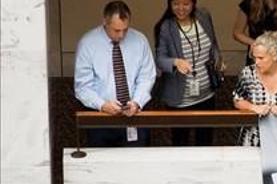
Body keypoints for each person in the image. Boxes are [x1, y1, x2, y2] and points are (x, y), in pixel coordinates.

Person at [74, 1, 156, 146]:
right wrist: (102, 105)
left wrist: (137, 102)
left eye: (125, 29)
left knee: (137, 162)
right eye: (116, 30)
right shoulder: (88, 43)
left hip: (134, 115)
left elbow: (146, 77)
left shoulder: (139, 40)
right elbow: (83, 87)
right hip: (101, 117)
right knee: (102, 163)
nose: (121, 35)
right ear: (104, 21)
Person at [154, 0, 223, 146]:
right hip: (180, 99)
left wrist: (218, 59)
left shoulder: (203, 16)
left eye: (186, 4)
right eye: (175, 4)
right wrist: (175, 62)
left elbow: (213, 43)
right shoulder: (166, 27)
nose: (180, 9)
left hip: (207, 94)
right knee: (181, 143)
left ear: (193, 3)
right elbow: (159, 59)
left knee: (205, 141)